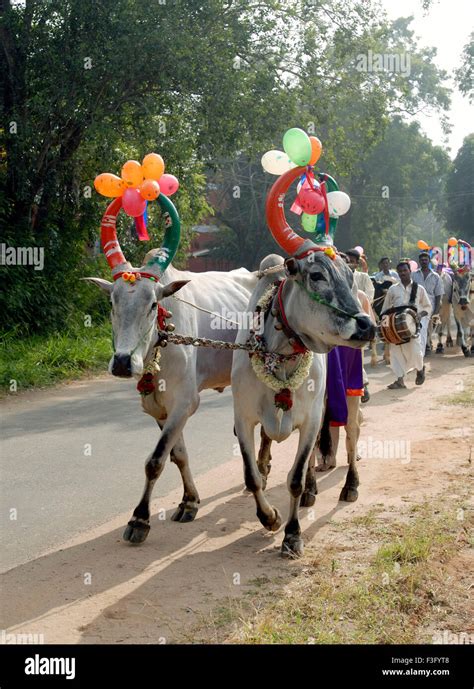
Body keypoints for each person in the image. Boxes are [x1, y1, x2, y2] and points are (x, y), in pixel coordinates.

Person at [382, 259, 432, 389]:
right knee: (396, 353)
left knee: (416, 351)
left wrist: (419, 316)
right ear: (397, 273)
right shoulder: (392, 289)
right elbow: (385, 310)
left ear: (410, 271)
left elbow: (427, 307)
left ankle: (420, 370)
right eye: (400, 271)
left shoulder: (419, 289)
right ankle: (399, 380)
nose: (403, 273)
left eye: (405, 270)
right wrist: (386, 329)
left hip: (413, 326)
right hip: (396, 327)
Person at [346, 248, 374, 402]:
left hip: (361, 319)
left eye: (352, 260)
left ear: (357, 263)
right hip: (343, 321)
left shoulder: (363, 277)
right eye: (347, 260)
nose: (349, 262)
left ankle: (363, 385)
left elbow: (369, 294)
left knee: (357, 356)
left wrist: (360, 303)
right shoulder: (339, 275)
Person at [412, 251, 443, 356]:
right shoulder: (414, 275)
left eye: (426, 260)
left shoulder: (436, 276)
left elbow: (438, 294)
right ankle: (421, 349)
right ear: (419, 262)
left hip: (429, 305)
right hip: (416, 305)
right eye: (422, 260)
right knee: (418, 327)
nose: (424, 261)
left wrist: (436, 310)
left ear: (429, 261)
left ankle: (422, 351)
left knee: (423, 327)